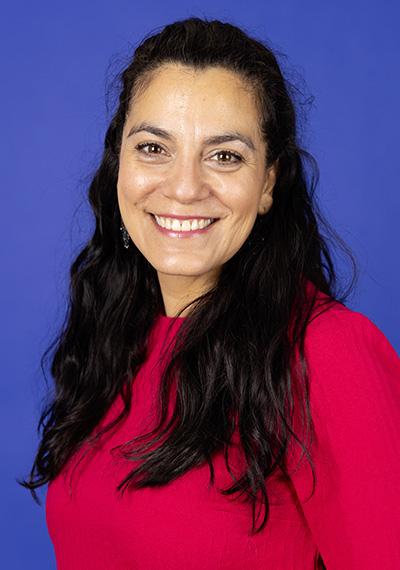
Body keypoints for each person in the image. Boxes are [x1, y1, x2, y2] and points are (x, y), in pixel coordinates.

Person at [19, 16, 400, 569]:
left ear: (268, 183)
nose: (184, 188)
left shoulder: (327, 351)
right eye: (154, 147)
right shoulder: (117, 335)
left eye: (225, 156)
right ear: (119, 164)